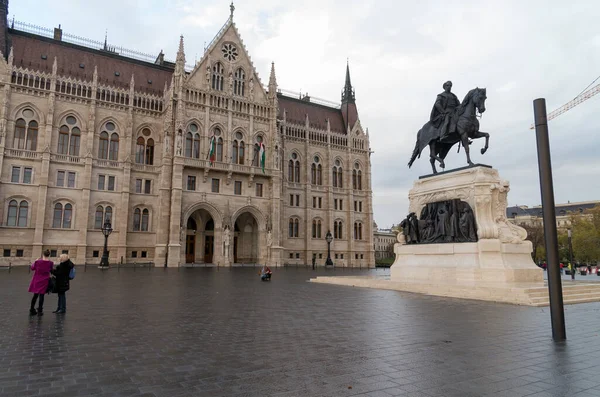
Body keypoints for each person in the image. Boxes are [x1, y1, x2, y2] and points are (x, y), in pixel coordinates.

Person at [28, 249, 54, 316]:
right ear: (49, 255)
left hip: (37, 279)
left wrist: (35, 261)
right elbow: (51, 270)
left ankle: (32, 309)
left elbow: (32, 268)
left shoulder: (38, 262)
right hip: (45, 280)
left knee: (35, 295)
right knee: (42, 296)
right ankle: (40, 310)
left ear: (43, 254)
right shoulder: (51, 263)